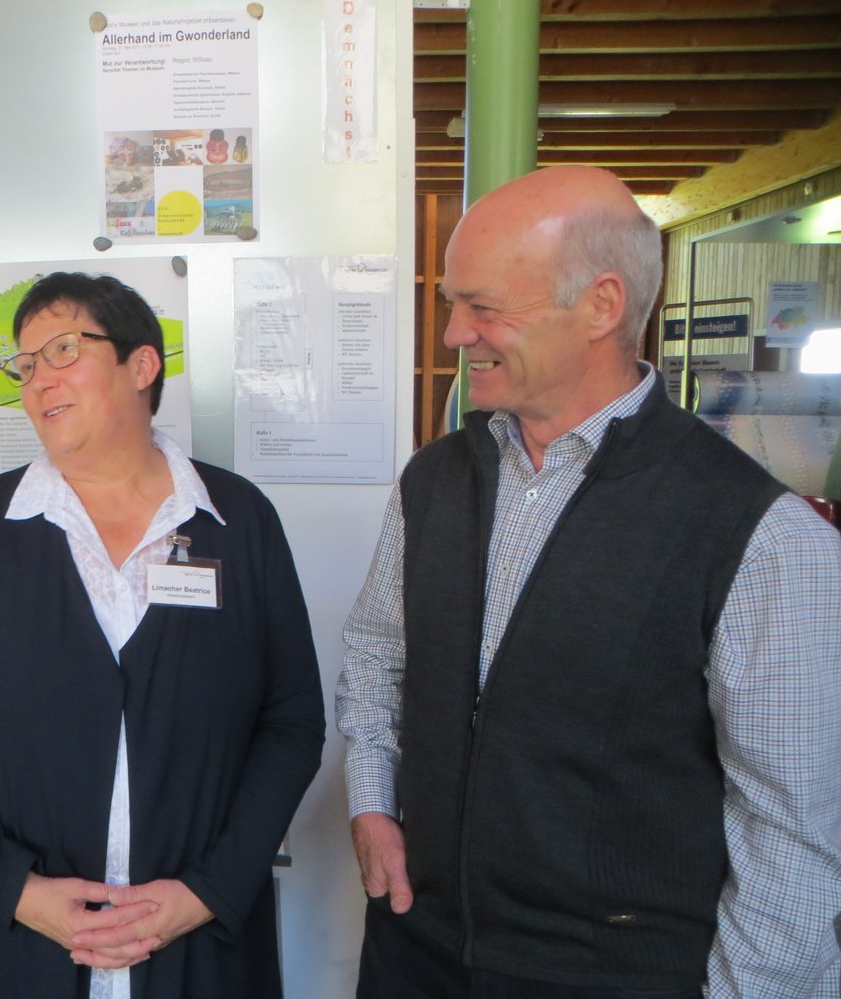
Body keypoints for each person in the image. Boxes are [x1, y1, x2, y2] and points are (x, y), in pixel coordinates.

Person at [336, 165, 841, 996]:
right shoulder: (434, 480)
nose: (455, 334)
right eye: (452, 305)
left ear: (602, 306)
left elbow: (793, 834)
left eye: (484, 307)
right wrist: (371, 803)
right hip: (415, 950)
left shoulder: (762, 535)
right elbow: (376, 656)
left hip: (613, 976)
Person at [0, 272, 325, 998]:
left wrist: (209, 891)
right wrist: (18, 889)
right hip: (18, 948)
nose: (39, 379)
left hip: (201, 948)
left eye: (64, 350)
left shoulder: (238, 520)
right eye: (25, 364)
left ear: (142, 364)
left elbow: (292, 723)